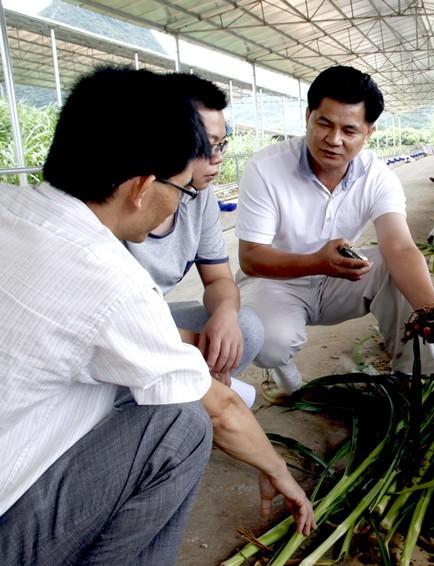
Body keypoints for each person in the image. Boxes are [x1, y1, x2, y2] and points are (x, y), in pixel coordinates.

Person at [0, 67, 314, 565]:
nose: (186, 199)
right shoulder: (105, 276)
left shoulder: (9, 205)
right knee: (180, 427)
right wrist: (280, 472)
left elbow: (219, 285)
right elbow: (220, 408)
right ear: (144, 186)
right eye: (182, 189)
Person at [236, 65, 434, 402]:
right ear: (307, 117)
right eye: (324, 124)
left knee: (399, 272)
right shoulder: (266, 168)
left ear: (368, 133)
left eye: (349, 130)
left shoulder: (377, 176)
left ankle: (414, 377)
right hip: (275, 281)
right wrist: (317, 261)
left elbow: (400, 247)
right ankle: (287, 373)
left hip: (339, 279)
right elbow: (251, 259)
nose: (334, 140)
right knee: (269, 341)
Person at [126, 73, 263, 389]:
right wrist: (190, 348)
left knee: (244, 329)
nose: (218, 158)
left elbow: (218, 279)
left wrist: (225, 315)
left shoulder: (201, 198)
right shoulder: (120, 210)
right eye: (206, 145)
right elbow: (107, 325)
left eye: (221, 143)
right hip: (119, 329)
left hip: (150, 320)